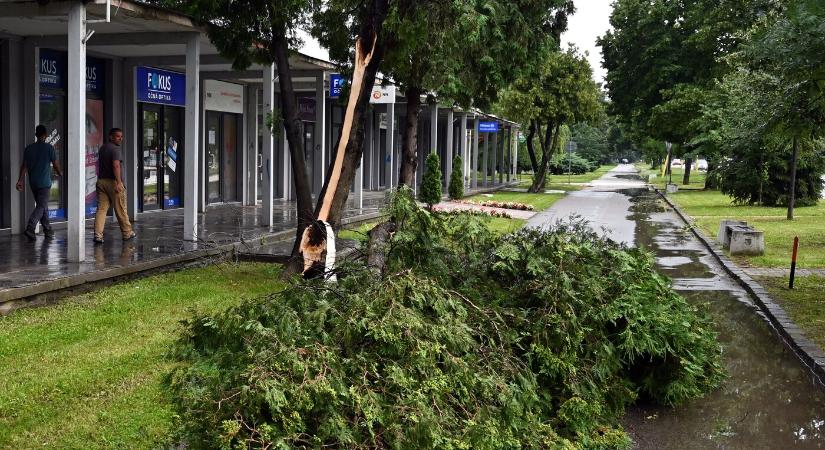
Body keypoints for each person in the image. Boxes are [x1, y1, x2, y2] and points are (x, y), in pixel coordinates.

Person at [16, 125, 62, 241]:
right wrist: (60, 173)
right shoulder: (49, 148)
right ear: (45, 135)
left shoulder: (28, 149)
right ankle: (30, 228)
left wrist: (20, 180)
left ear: (36, 134)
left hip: (33, 183)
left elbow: (24, 166)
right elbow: (55, 164)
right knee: (41, 206)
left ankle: (47, 230)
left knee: (43, 206)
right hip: (44, 183)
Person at [94, 128, 134, 244]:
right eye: (117, 136)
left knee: (101, 210)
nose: (120, 139)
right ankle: (127, 233)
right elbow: (116, 166)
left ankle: (98, 235)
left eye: (121, 136)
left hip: (101, 182)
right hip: (113, 183)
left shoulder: (103, 148)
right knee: (120, 208)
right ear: (111, 137)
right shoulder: (115, 149)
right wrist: (119, 182)